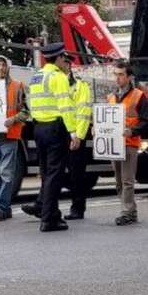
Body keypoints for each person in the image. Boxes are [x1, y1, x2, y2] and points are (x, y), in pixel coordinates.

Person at [26, 43, 81, 232]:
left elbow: (30, 104)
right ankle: (49, 219)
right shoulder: (58, 77)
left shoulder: (37, 76)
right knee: (54, 175)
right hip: (55, 129)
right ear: (58, 58)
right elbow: (65, 106)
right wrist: (73, 132)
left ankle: (52, 214)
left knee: (46, 173)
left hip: (38, 128)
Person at [0, 56, 29, 221]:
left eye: (3, 65)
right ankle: (5, 207)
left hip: (10, 136)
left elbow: (26, 111)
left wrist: (13, 119)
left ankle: (1, 208)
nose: (0, 68)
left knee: (6, 173)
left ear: (8, 68)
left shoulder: (18, 86)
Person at [108, 61, 148, 226]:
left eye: (121, 75)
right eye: (115, 74)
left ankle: (126, 212)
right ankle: (129, 211)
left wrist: (132, 131)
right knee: (119, 181)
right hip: (114, 144)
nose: (117, 78)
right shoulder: (111, 97)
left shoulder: (139, 95)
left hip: (130, 143)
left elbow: (145, 121)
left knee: (127, 180)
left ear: (129, 77)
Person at [63, 60, 93, 220]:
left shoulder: (80, 86)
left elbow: (83, 112)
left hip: (74, 135)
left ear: (69, 66)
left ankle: (78, 208)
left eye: (65, 64)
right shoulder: (55, 83)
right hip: (58, 133)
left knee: (76, 174)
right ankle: (45, 206)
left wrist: (79, 136)